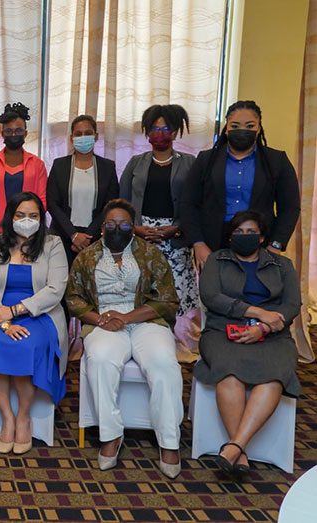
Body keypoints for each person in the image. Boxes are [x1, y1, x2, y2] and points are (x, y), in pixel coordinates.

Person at [66, 199, 183, 478]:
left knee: (163, 362)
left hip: (145, 320)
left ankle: (169, 441)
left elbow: (167, 299)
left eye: (124, 224)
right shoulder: (87, 256)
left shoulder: (151, 254)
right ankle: (110, 435)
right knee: (101, 359)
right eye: (110, 223)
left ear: (134, 227)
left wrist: (127, 318)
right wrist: (101, 319)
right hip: (103, 322)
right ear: (102, 227)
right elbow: (73, 298)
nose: (117, 228)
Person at [195, 210, 301, 478]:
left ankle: (234, 447)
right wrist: (257, 313)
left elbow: (291, 305)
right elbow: (211, 297)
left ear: (262, 236)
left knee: (274, 376)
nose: (245, 237)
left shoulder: (283, 266)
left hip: (273, 337)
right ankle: (239, 451)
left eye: (251, 232)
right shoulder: (216, 260)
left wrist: (264, 327)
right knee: (228, 372)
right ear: (230, 237)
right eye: (238, 232)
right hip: (222, 332)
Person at [0, 192, 68, 455]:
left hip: (40, 314)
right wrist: (4, 319)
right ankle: (7, 417)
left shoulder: (53, 244)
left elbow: (55, 290)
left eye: (33, 216)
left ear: (41, 218)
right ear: (11, 217)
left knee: (27, 345)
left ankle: (24, 416)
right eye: (21, 215)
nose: (26, 220)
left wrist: (17, 310)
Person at [180, 100, 301, 271]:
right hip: (212, 244)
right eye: (235, 125)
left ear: (258, 128)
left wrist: (275, 245)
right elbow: (188, 204)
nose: (242, 130)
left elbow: (290, 208)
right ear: (226, 128)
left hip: (260, 242)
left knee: (255, 294)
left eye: (250, 125)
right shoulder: (206, 160)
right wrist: (197, 243)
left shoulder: (277, 161)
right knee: (215, 295)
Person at [120, 105, 199, 354]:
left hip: (175, 236)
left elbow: (197, 203)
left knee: (174, 290)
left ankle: (175, 339)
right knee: (141, 287)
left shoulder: (190, 163)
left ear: (175, 132)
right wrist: (135, 229)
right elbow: (121, 202)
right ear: (147, 132)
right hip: (140, 234)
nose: (160, 133)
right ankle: (142, 335)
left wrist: (175, 229)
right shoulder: (136, 163)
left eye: (166, 128)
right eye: (155, 128)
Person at [0, 102, 48, 264]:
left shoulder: (37, 164)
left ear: (26, 133)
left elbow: (42, 200)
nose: (14, 134)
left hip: (28, 233)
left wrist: (26, 227)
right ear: (2, 133)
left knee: (23, 278)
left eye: (18, 130)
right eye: (9, 131)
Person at [47, 115, 118, 267]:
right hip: (62, 236)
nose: (83, 137)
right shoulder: (59, 166)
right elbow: (52, 203)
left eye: (88, 133)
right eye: (78, 134)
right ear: (71, 138)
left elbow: (110, 205)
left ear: (96, 136)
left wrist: (87, 237)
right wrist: (73, 235)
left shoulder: (108, 167)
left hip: (96, 237)